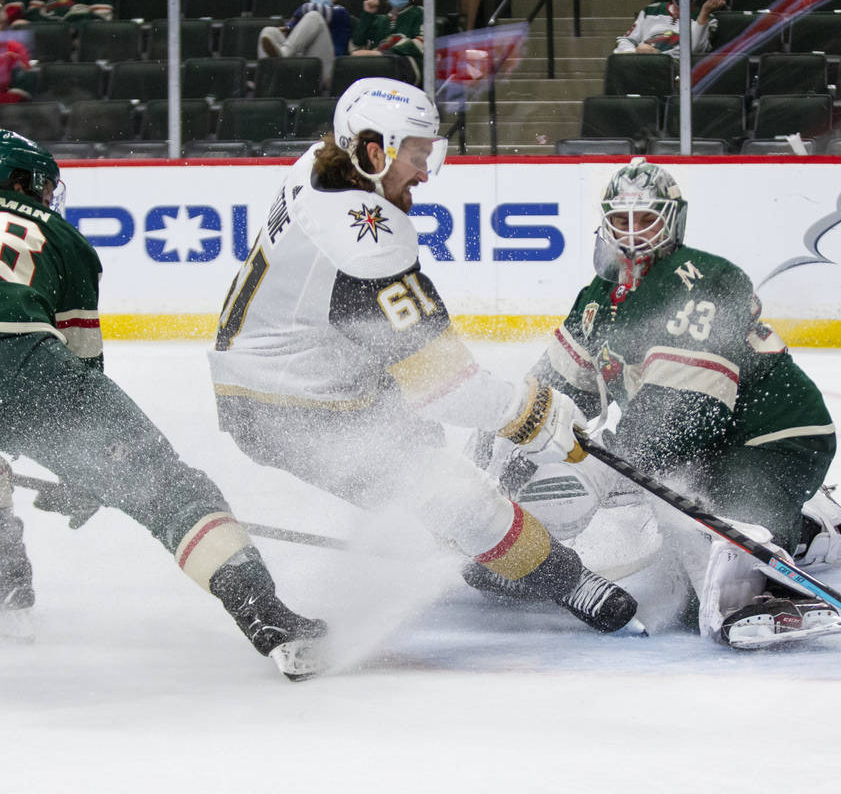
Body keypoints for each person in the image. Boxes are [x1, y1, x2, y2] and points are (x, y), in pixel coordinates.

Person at [206, 79, 640, 636]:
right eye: (416, 154)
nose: (425, 171)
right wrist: (539, 414)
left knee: (424, 449)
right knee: (448, 492)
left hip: (296, 372)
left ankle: (483, 541)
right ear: (372, 150)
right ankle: (561, 577)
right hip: (289, 404)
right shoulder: (366, 241)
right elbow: (447, 385)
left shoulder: (321, 161)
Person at [466, 158, 841, 649]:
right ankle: (811, 527)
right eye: (621, 220)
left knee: (696, 579)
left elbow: (688, 410)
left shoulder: (705, 281)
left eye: (646, 219)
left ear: (672, 219)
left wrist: (603, 468)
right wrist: (503, 437)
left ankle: (763, 587)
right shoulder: (599, 297)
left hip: (773, 439)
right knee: (672, 510)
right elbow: (551, 386)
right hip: (705, 448)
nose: (632, 233)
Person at [0, 130, 326, 678]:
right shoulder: (59, 236)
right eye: (42, 183)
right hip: (26, 363)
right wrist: (90, 472)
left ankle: (8, 589)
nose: (48, 193)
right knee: (170, 491)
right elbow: (79, 369)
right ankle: (270, 621)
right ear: (18, 180)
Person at [258, 0, 353, 89]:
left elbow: (313, 9)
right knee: (269, 31)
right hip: (300, 67)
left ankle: (284, 53)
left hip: (327, 71)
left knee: (314, 16)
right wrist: (288, 29)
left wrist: (290, 27)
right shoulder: (304, 13)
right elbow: (292, 26)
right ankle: (267, 79)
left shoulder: (341, 11)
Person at [613, 0, 725, 59]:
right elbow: (627, 40)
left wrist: (704, 12)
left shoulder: (707, 19)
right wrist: (635, 53)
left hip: (674, 67)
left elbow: (695, 50)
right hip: (640, 60)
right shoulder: (651, 11)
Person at [351, 0, 424, 86]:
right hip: (379, 73)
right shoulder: (381, 20)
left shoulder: (420, 13)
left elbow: (422, 43)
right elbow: (358, 41)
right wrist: (367, 14)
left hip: (409, 76)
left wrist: (381, 53)